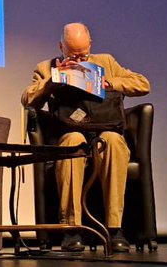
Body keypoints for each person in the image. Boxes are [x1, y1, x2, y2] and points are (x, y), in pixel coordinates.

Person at [21, 23, 150, 253]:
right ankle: (71, 228)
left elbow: (143, 84)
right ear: (61, 47)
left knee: (112, 141)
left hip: (103, 129)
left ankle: (114, 228)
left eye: (84, 54)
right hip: (69, 131)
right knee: (73, 142)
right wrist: (52, 81)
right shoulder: (46, 67)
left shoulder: (106, 62)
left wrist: (109, 83)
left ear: (90, 44)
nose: (79, 60)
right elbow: (27, 100)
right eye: (73, 55)